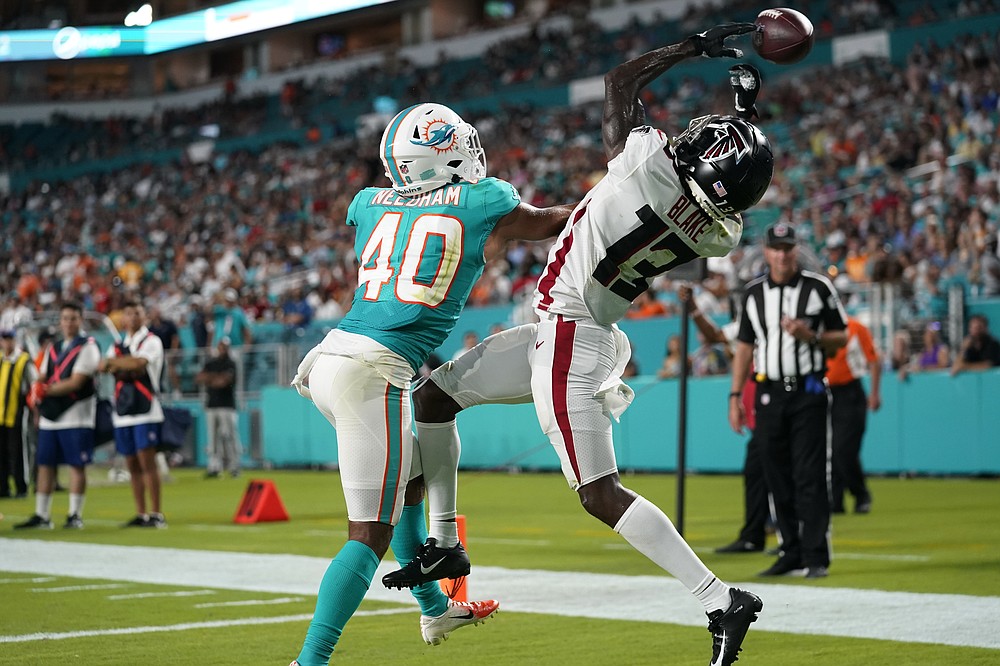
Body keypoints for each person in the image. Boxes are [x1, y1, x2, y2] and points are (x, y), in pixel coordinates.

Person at [384, 27, 773, 666]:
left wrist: (695, 47)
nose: (687, 138)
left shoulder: (645, 166)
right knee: (434, 399)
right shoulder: (720, 232)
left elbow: (621, 82)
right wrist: (744, 117)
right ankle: (446, 542)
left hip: (570, 334)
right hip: (565, 328)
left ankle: (718, 600)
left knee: (598, 492)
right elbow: (726, 179)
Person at [286, 101, 576, 666]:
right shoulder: (484, 197)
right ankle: (311, 661)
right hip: (375, 370)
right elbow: (549, 222)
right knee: (367, 534)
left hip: (330, 360)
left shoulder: (368, 202)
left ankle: (433, 605)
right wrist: (612, 200)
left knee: (410, 479)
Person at [728, 223, 848, 579]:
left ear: (797, 250)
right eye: (776, 248)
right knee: (775, 476)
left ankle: (815, 555)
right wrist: (735, 395)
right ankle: (790, 551)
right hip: (767, 393)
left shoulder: (817, 287)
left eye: (788, 248)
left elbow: (840, 338)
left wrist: (809, 335)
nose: (782, 254)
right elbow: (745, 347)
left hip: (808, 390)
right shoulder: (752, 295)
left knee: (809, 475)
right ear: (766, 252)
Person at [676, 285, 770, 555]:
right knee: (759, 470)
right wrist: (693, 309)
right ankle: (759, 535)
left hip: (785, 401)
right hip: (758, 409)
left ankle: (781, 537)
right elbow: (715, 336)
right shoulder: (747, 325)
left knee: (777, 470)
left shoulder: (780, 318)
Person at [17, 302, 101, 529]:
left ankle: (75, 514)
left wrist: (44, 390)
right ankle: (42, 514)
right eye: (65, 318)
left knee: (76, 465)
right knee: (45, 463)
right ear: (60, 321)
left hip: (77, 414)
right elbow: (42, 374)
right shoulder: (53, 348)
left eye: (73, 318)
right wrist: (37, 388)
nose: (69, 323)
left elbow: (77, 382)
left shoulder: (89, 347)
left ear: (80, 320)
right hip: (51, 415)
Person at [99, 301, 167, 528]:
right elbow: (104, 366)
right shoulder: (119, 344)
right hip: (123, 412)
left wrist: (117, 364)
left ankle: (156, 513)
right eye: (128, 313)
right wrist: (123, 364)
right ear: (123, 318)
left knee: (147, 463)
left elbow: (139, 363)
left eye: (137, 313)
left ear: (144, 316)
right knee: (131, 464)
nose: (133, 317)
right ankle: (141, 513)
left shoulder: (152, 341)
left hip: (146, 411)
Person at [826, 315, 880, 515]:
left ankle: (860, 493)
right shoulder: (817, 328)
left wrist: (874, 393)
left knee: (843, 448)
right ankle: (835, 500)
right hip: (824, 392)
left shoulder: (855, 327)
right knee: (831, 450)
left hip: (849, 392)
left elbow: (873, 360)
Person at [195, 338, 243, 478]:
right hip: (212, 405)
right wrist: (215, 378)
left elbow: (223, 382)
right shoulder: (211, 363)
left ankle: (234, 466)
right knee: (213, 438)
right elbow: (199, 378)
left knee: (230, 436)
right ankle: (214, 466)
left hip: (227, 406)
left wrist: (210, 378)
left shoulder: (231, 363)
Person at [0, 328, 37, 499]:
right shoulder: (1, 359)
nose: (7, 343)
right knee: (2, 452)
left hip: (17, 413)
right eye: (4, 339)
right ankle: (3, 487)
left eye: (10, 339)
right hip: (0, 414)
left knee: (18, 451)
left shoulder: (23, 360)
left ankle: (21, 486)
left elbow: (34, 386)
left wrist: (35, 411)